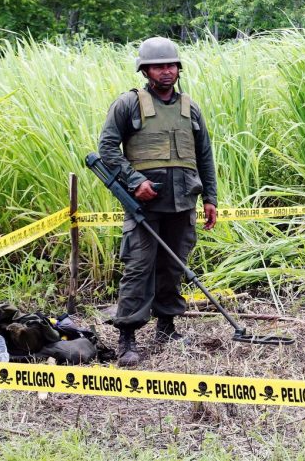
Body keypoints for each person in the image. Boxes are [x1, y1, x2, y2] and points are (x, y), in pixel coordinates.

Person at [98, 37, 217, 367]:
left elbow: (204, 156)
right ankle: (127, 338)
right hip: (145, 206)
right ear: (145, 70)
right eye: (159, 66)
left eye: (171, 66)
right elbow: (107, 149)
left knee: (173, 266)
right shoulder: (128, 104)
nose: (166, 71)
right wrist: (135, 182)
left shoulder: (190, 108)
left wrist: (210, 198)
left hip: (183, 203)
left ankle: (166, 327)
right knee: (139, 268)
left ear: (178, 69)